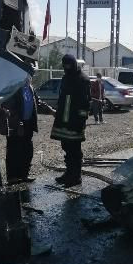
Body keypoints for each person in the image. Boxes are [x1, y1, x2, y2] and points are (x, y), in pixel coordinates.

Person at [50, 55, 91, 187]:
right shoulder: (66, 77)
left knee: (75, 150)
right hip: (63, 121)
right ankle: (69, 173)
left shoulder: (83, 79)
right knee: (66, 147)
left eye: (68, 66)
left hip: (75, 122)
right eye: (64, 66)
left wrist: (81, 121)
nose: (66, 68)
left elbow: (85, 103)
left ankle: (75, 176)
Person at [4, 76, 38, 184]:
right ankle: (12, 177)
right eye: (26, 75)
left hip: (28, 124)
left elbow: (38, 102)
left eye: (29, 76)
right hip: (16, 124)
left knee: (27, 150)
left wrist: (51, 111)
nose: (28, 78)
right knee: (14, 150)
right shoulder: (14, 88)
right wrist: (18, 122)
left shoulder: (30, 88)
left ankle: (24, 175)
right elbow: (9, 107)